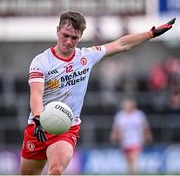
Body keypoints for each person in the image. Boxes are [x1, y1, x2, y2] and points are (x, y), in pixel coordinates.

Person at [20, 10, 175, 175]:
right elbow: (36, 94)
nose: (68, 41)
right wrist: (37, 117)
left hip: (67, 127)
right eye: (65, 35)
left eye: (74, 38)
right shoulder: (41, 62)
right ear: (58, 30)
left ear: (80, 37)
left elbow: (121, 44)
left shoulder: (86, 57)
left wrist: (150, 34)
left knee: (56, 170)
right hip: (38, 125)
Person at [110, 98, 153, 174]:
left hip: (136, 140)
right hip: (124, 142)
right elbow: (116, 129)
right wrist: (114, 136)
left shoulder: (139, 115)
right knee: (128, 161)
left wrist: (147, 136)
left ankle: (134, 173)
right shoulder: (120, 116)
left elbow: (145, 127)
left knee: (134, 159)